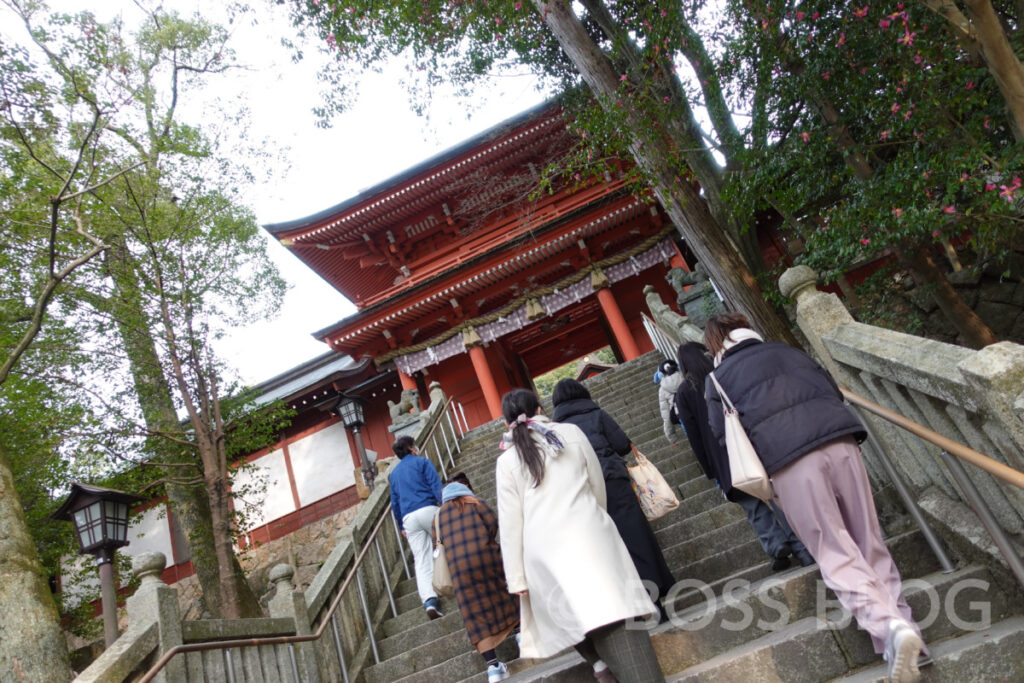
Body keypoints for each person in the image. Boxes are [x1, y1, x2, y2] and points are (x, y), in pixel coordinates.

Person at [702, 313, 927, 683]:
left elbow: (721, 434)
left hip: (789, 462)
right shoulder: (788, 351)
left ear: (715, 343)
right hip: (841, 443)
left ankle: (890, 628)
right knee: (870, 541)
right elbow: (832, 392)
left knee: (834, 551)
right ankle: (907, 633)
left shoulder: (717, 378)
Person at [496, 388, 665, 683]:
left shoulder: (506, 460)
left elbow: (511, 523)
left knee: (564, 609)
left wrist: (517, 577)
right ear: (540, 409)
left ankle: (598, 664)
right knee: (612, 604)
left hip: (542, 552)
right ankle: (612, 666)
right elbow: (596, 483)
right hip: (587, 532)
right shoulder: (570, 432)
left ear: (505, 422)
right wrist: (595, 518)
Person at [673, 342, 813, 570]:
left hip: (721, 457)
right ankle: (803, 550)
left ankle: (776, 545)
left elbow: (694, 436)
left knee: (751, 505)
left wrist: (710, 469)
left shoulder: (683, 393)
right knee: (776, 497)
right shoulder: (722, 375)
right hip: (748, 443)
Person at [550, 378, 675, 619]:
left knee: (606, 548)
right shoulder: (597, 414)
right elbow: (622, 445)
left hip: (584, 491)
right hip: (614, 482)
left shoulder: (557, 431)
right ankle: (655, 601)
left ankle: (627, 606)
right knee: (636, 539)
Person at [434, 473, 519, 683]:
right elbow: (493, 524)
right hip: (487, 559)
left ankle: (493, 667)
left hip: (460, 571)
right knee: (505, 593)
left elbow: (437, 541)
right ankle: (521, 635)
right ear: (466, 488)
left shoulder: (438, 516)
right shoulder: (476, 503)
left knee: (474, 615)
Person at [388, 435, 444, 619]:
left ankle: (429, 601)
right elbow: (436, 486)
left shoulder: (393, 475)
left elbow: (395, 503)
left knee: (421, 559)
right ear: (412, 448)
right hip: (428, 508)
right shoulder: (422, 462)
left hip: (409, 518)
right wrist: (445, 505)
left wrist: (401, 525)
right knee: (447, 545)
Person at [654, 359, 683, 444]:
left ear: (660, 374)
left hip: (681, 414)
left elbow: (666, 414)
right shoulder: (685, 376)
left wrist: (671, 436)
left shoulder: (662, 389)